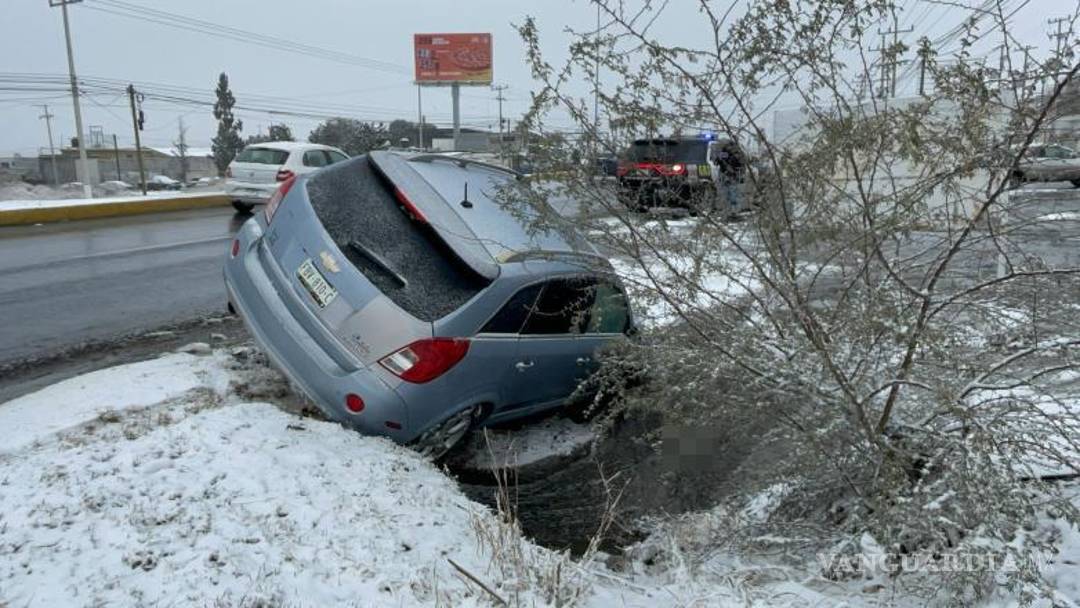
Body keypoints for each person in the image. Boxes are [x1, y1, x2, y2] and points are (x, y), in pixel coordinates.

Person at [712, 141, 744, 217]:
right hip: (730, 176)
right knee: (732, 194)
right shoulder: (734, 153)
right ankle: (732, 211)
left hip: (728, 175)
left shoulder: (728, 153)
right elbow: (717, 162)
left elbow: (716, 162)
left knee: (729, 194)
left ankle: (730, 211)